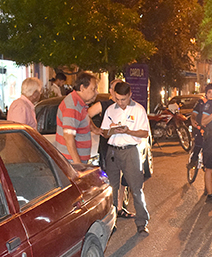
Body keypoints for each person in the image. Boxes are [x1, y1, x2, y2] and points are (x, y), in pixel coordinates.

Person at [100, 81, 151, 235]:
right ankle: (112, 222)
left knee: (136, 188)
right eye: (117, 99)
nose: (120, 103)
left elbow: (145, 133)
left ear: (130, 95)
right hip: (113, 152)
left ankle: (142, 222)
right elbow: (104, 132)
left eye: (123, 99)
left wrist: (129, 131)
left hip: (130, 151)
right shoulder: (110, 109)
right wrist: (112, 130)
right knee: (112, 189)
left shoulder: (138, 109)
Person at [88, 79, 133, 217]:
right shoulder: (104, 105)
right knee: (110, 179)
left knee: (123, 178)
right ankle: (110, 210)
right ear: (111, 91)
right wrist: (95, 129)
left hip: (125, 147)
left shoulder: (128, 106)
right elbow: (86, 115)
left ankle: (119, 207)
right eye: (115, 88)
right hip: (108, 148)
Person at [56, 71, 98, 163]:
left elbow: (83, 118)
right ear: (82, 88)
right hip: (71, 161)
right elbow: (68, 136)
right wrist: (77, 163)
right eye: (93, 89)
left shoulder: (80, 103)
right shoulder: (72, 106)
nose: (96, 92)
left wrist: (94, 129)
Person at [188, 84, 212, 190]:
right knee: (198, 144)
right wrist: (194, 121)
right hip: (200, 129)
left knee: (209, 159)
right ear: (206, 93)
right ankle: (193, 160)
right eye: (209, 92)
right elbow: (193, 115)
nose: (211, 95)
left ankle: (208, 184)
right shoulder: (200, 103)